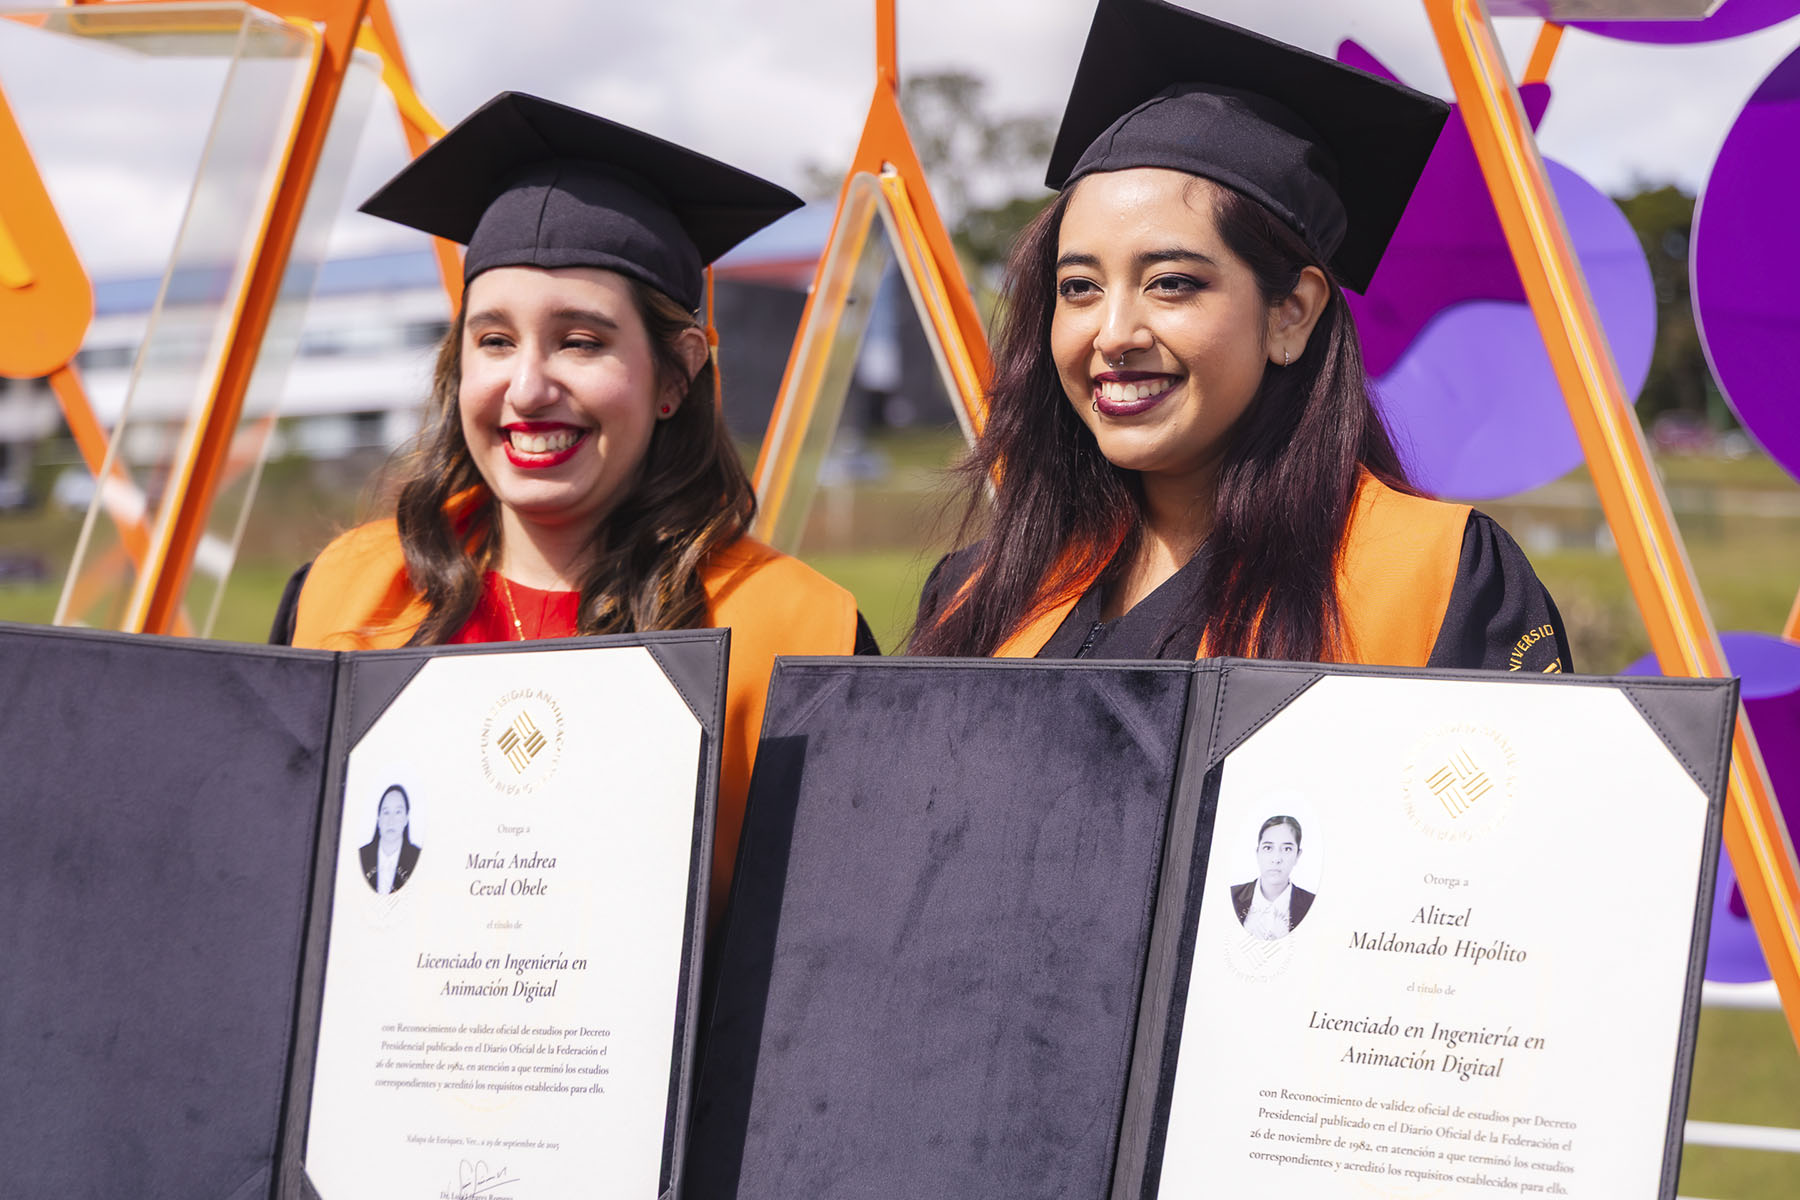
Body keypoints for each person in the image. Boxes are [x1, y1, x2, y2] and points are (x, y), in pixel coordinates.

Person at [271, 93, 873, 921]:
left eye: (580, 341)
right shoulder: (341, 597)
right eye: (494, 340)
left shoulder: (794, 633)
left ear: (675, 374)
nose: (526, 388)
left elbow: (819, 955)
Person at [911, 0, 1573, 672]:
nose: (1112, 334)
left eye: (1171, 282)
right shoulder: (980, 593)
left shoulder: (1436, 580)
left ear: (1292, 313)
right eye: (1079, 287)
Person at [1230, 815, 1312, 940]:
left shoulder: (1311, 904)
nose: (1276, 859)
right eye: (1268, 848)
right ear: (1258, 852)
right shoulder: (1232, 895)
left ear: (1298, 855)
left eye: (1287, 849)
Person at [360, 784, 421, 896]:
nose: (391, 821)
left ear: (406, 819)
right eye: (386, 812)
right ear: (378, 819)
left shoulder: (418, 858)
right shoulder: (362, 856)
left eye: (398, 812)